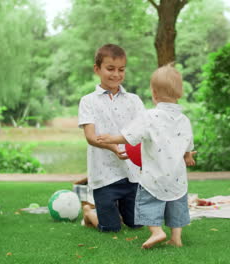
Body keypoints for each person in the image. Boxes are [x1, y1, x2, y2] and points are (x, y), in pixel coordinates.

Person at [97, 64, 196, 249]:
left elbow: (131, 135)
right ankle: (176, 238)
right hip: (177, 178)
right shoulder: (184, 120)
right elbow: (188, 142)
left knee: (150, 203)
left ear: (154, 94)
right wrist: (188, 156)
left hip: (154, 176)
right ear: (180, 93)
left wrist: (112, 138)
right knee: (176, 205)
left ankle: (157, 231)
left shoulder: (150, 116)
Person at [78, 43, 145, 232]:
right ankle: (90, 212)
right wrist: (112, 147)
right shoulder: (88, 101)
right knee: (110, 228)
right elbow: (91, 137)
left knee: (136, 224)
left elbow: (143, 130)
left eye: (121, 69)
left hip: (131, 173)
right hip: (104, 174)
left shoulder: (134, 100)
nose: (116, 74)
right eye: (110, 69)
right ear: (97, 69)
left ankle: (120, 212)